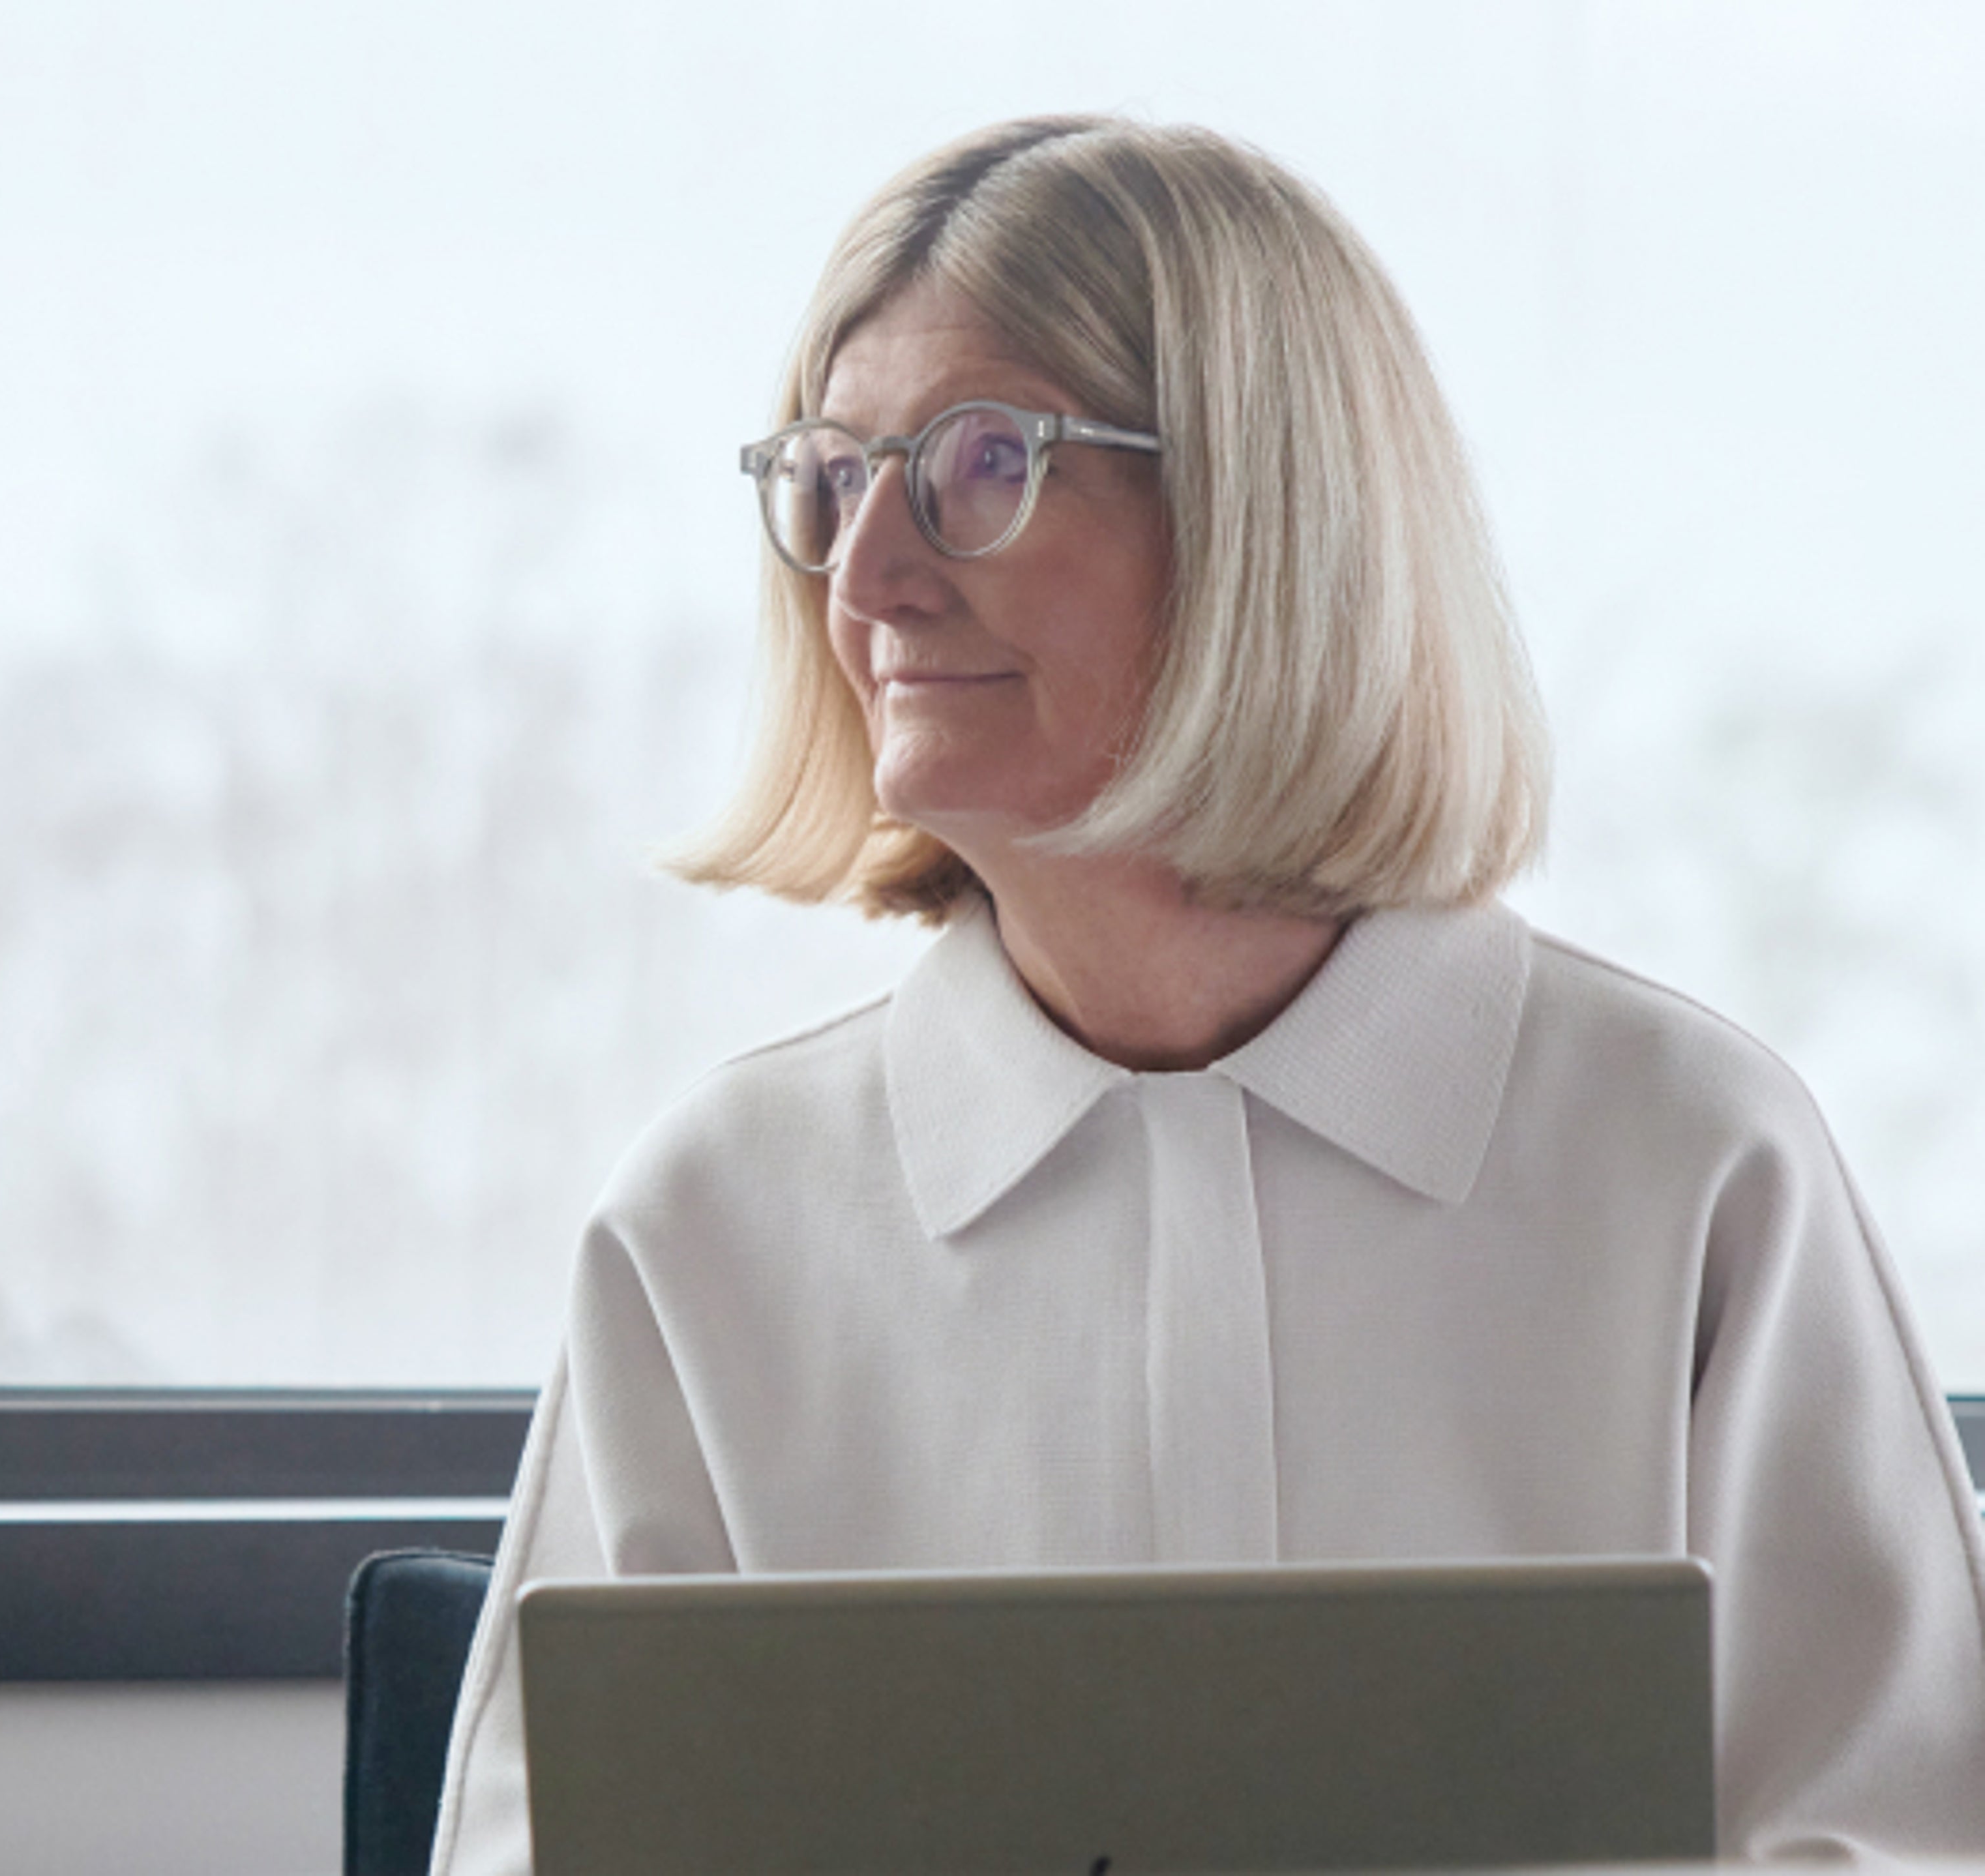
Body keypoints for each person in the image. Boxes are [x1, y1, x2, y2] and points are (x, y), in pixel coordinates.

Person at [429, 117, 1985, 1873]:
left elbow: (1900, 1839)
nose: (865, 578)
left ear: (1268, 510)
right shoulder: (713, 1220)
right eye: (830, 477)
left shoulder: (1694, 1165)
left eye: (978, 460)